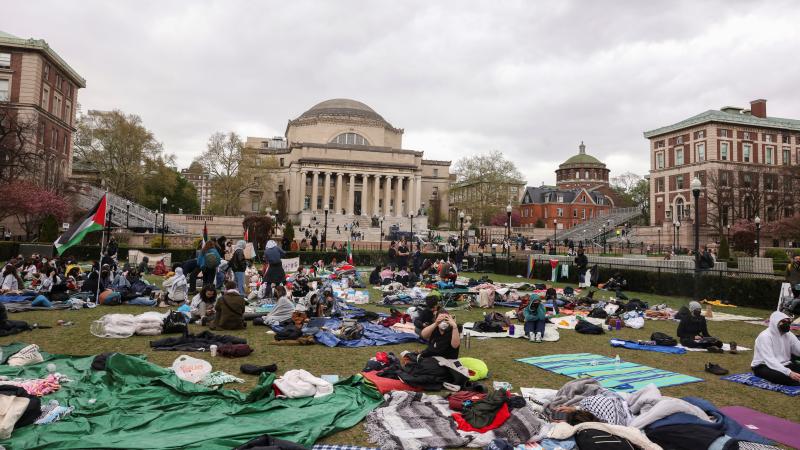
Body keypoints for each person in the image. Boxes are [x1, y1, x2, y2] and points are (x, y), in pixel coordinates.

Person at [751, 311, 800, 386]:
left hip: (785, 364)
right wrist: (789, 373)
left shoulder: (789, 334)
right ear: (775, 322)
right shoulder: (765, 336)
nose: (787, 324)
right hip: (764, 366)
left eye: (788, 322)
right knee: (784, 377)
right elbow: (770, 360)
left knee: (793, 375)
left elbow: (798, 349)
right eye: (783, 321)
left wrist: (788, 371)